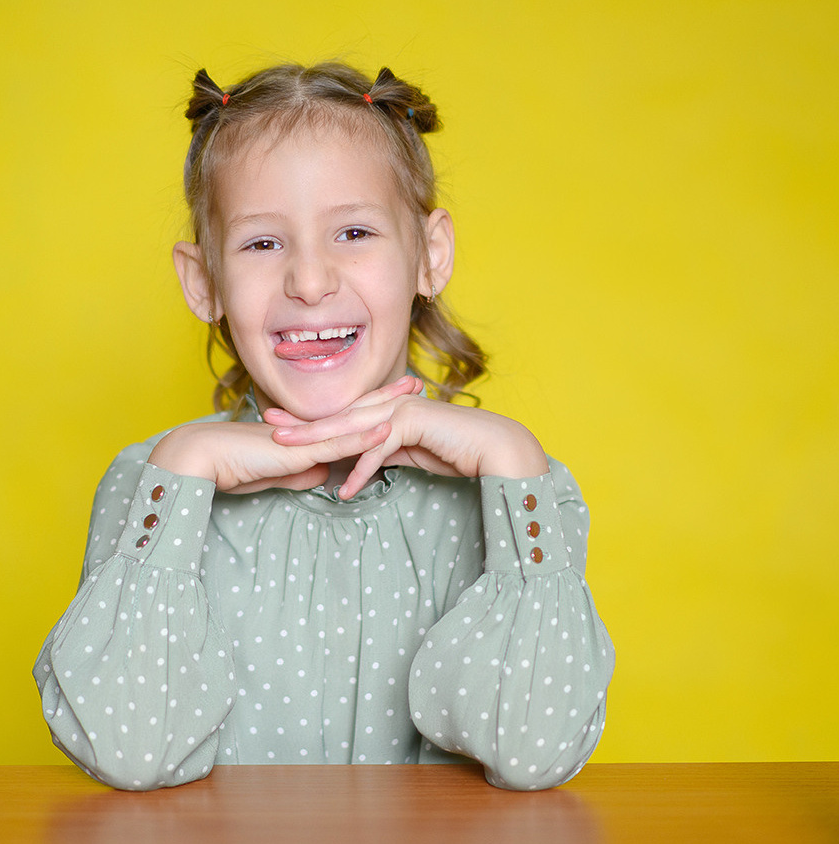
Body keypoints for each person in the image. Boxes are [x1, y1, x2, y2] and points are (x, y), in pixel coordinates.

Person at [33, 61, 615, 792]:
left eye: (354, 231)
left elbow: (532, 753)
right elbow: (129, 749)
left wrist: (512, 456)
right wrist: (183, 465)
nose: (310, 282)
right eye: (262, 243)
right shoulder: (155, 485)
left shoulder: (523, 495)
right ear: (203, 281)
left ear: (429, 256)